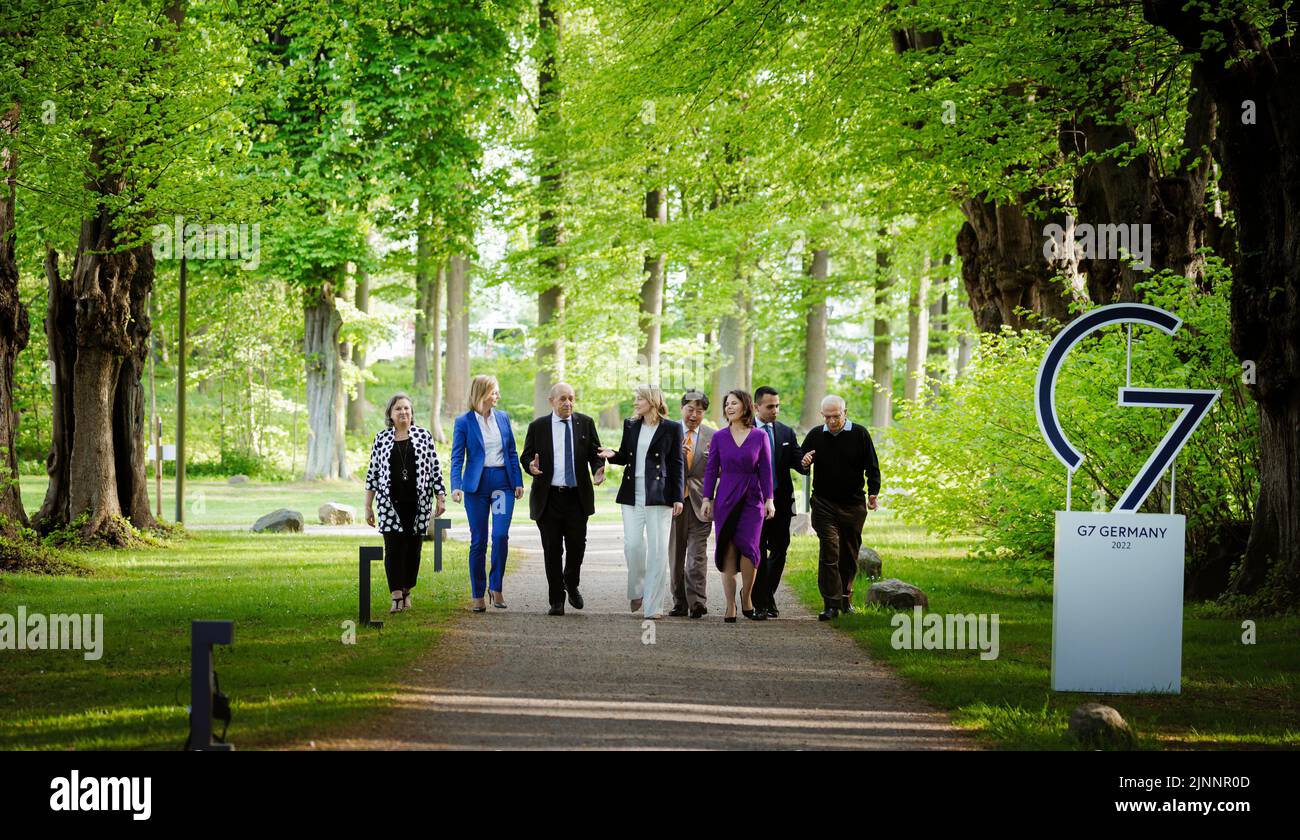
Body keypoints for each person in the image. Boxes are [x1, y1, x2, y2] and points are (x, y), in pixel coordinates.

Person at [519, 382, 607, 616]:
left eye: (571, 398)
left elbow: (595, 454)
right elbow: (526, 455)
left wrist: (598, 469)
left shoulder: (585, 423)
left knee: (577, 546)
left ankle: (571, 581)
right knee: (552, 549)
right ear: (551, 401)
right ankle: (556, 599)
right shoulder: (538, 427)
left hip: (577, 498)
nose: (568, 403)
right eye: (563, 399)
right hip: (549, 499)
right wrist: (530, 466)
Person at [598, 385, 684, 620]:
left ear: (652, 401)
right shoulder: (631, 425)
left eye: (639, 399)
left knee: (657, 551)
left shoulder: (672, 428)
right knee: (633, 545)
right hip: (632, 493)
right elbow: (626, 455)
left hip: (659, 495)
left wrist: (677, 497)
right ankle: (637, 591)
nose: (635, 402)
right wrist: (612, 454)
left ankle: (653, 606)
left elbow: (677, 464)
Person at [800, 395, 881, 621]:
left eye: (836, 416)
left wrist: (873, 492)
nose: (832, 421)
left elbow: (872, 468)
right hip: (824, 503)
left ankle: (845, 598)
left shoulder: (860, 434)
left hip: (853, 504)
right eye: (827, 417)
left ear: (845, 412)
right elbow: (800, 460)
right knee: (830, 550)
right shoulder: (816, 434)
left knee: (849, 553)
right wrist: (803, 461)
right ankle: (831, 604)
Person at [364, 393, 446, 614]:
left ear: (412, 413)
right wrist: (367, 505)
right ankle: (396, 596)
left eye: (407, 409)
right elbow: (372, 473)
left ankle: (407, 589)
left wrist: (440, 496)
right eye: (398, 409)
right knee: (392, 550)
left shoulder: (423, 436)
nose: (403, 413)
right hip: (389, 505)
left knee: (413, 550)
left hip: (418, 504)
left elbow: (435, 469)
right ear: (390, 415)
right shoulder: (381, 438)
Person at [450, 374, 525, 613]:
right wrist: (455, 485)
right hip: (476, 488)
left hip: (502, 485)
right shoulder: (463, 422)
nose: (498, 397)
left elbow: (512, 451)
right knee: (479, 540)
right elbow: (456, 457)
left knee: (501, 535)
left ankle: (496, 586)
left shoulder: (502, 418)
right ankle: (477, 593)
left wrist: (518, 480)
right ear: (482, 393)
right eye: (494, 392)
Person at [700, 390, 775, 623]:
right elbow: (711, 469)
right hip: (726, 498)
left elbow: (765, 470)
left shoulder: (759, 436)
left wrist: (769, 499)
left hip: (753, 499)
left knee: (751, 550)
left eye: (734, 403)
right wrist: (706, 499)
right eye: (727, 404)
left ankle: (747, 597)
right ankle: (730, 604)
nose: (729, 407)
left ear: (746, 406)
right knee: (728, 549)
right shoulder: (720, 437)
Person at [751, 386, 807, 618]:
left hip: (782, 501)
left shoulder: (785, 432)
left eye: (777, 406)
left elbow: (798, 461)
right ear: (756, 407)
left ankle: (767, 595)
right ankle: (761, 601)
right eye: (770, 406)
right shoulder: (746, 430)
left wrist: (804, 461)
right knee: (758, 551)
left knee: (781, 548)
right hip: (754, 502)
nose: (775, 410)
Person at [669, 390, 714, 618]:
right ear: (681, 408)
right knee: (676, 556)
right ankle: (679, 602)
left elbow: (719, 470)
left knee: (697, 555)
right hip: (674, 502)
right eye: (690, 409)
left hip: (701, 502)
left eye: (699, 410)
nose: (694, 415)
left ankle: (697, 602)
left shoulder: (713, 436)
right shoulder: (669, 431)